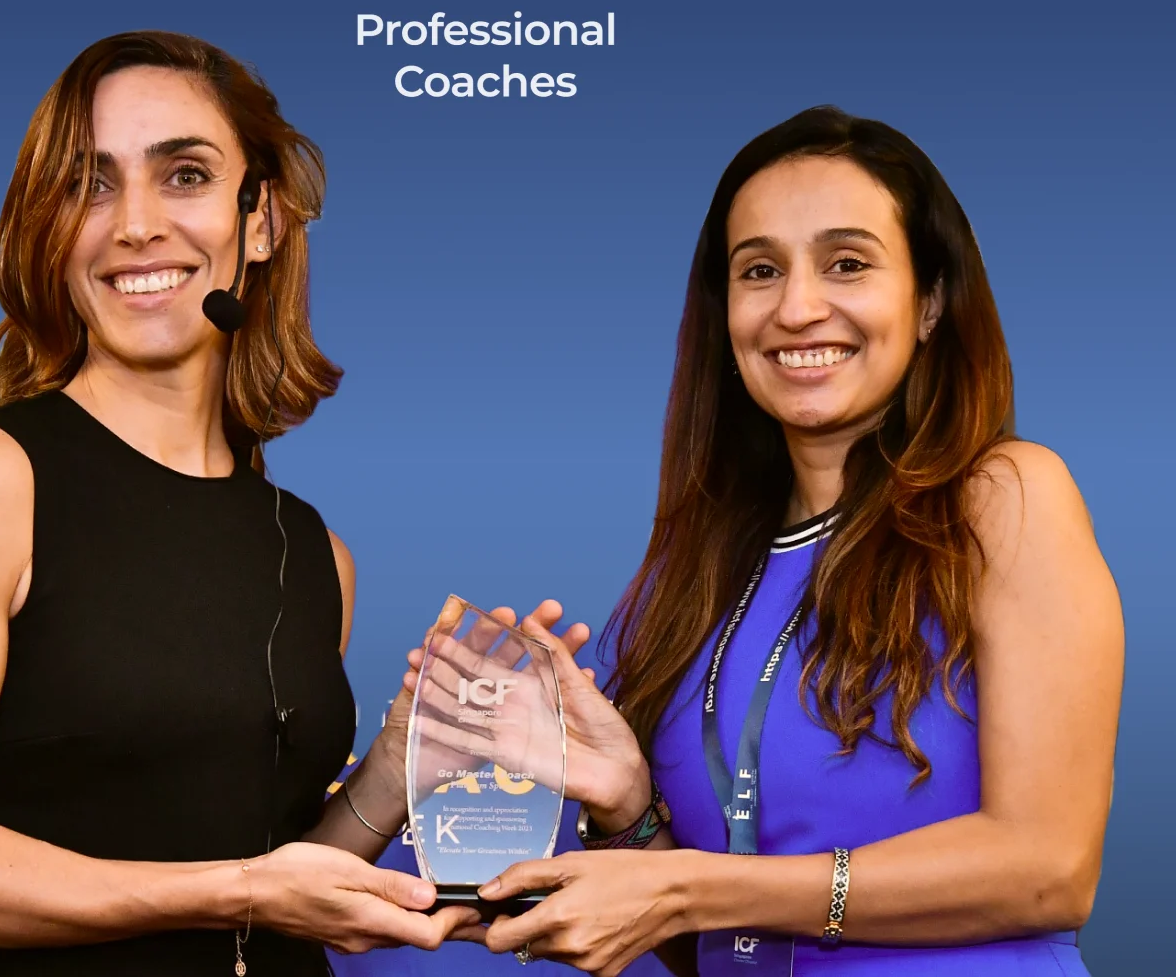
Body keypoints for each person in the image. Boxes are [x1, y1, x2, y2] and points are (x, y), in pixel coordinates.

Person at [0, 30, 519, 975]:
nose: (135, 223)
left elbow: (285, 887)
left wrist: (402, 764)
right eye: (90, 184)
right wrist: (235, 887)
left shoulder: (315, 552)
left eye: (184, 175)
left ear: (261, 220)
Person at [463, 108, 1124, 975]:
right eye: (760, 270)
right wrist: (632, 812)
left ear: (928, 302)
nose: (797, 308)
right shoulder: (693, 578)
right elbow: (708, 947)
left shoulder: (1002, 495)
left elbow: (1051, 871)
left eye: (847, 264)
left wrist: (696, 889)